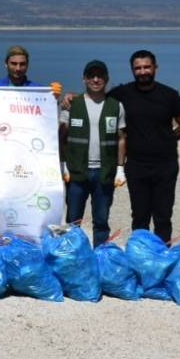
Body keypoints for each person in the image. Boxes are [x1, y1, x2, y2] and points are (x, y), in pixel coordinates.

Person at [107, 50, 180, 242]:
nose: (142, 71)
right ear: (132, 70)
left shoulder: (169, 95)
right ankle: (141, 258)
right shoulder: (122, 93)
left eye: (146, 67)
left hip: (165, 165)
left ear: (155, 67)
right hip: (137, 165)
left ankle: (161, 259)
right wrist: (71, 97)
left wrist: (169, 138)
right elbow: (95, 100)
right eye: (138, 68)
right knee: (139, 217)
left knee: (163, 217)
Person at [0, 45, 59, 238]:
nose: (18, 68)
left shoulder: (39, 90)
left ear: (27, 65)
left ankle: (31, 243)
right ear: (5, 64)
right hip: (0, 159)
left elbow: (47, 122)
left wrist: (55, 98)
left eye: (22, 64)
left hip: (30, 159)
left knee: (29, 203)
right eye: (14, 64)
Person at [58, 60, 125, 247]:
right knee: (73, 220)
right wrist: (62, 164)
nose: (96, 80)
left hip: (104, 173)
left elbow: (121, 138)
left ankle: (100, 257)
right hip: (77, 172)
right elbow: (61, 137)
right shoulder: (72, 104)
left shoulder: (115, 106)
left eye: (100, 76)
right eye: (91, 76)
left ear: (106, 79)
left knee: (101, 221)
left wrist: (120, 168)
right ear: (84, 79)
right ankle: (73, 258)